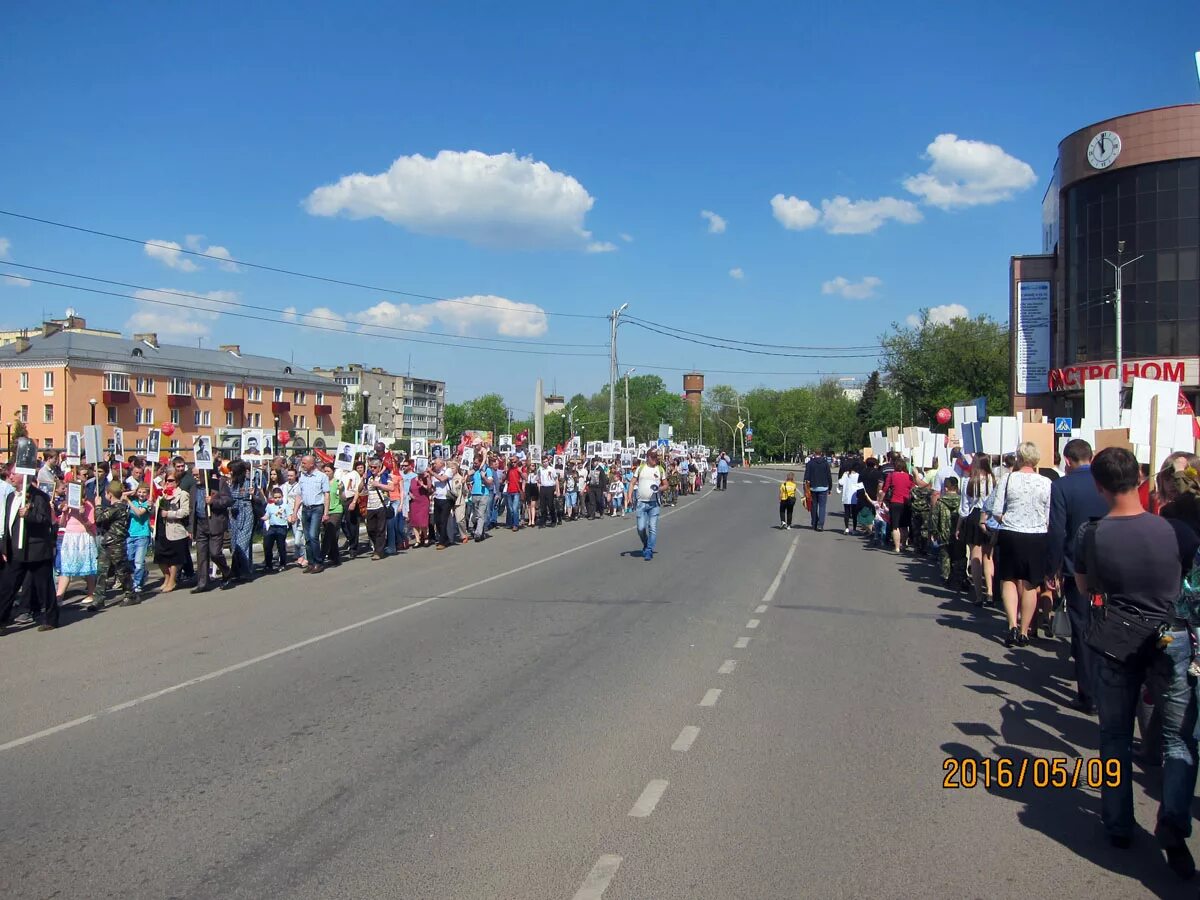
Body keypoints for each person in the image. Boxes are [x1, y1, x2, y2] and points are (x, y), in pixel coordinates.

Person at [1074, 447, 1200, 872]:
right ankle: (1174, 822)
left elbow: (1085, 584)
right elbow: (1185, 578)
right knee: (1180, 739)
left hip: (1116, 638)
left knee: (1114, 735)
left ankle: (1119, 823)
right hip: (1171, 636)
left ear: (1100, 486)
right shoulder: (1177, 532)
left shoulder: (1090, 535)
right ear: (1140, 479)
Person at [1046, 439, 1109, 714]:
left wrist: (1053, 567)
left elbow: (1057, 530)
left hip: (1077, 567)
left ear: (1067, 460)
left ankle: (1088, 694)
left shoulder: (1061, 486)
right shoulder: (1105, 481)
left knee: (1083, 628)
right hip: (1112, 563)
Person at [986, 441, 1052, 647]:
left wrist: (1008, 519)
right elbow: (1049, 515)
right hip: (1037, 535)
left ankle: (1012, 625)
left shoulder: (1008, 479)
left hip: (1011, 532)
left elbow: (996, 511)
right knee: (1030, 583)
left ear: (1019, 458)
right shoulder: (1046, 482)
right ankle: (1025, 630)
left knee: (1009, 580)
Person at [0, 474, 58, 631]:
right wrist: (4, 547)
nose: (10, 477)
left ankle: (50, 619)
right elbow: (8, 524)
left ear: (23, 476)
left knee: (43, 586)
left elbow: (45, 520)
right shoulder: (11, 496)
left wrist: (29, 515)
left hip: (35, 549)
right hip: (15, 550)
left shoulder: (39, 496)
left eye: (13, 474)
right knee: (7, 586)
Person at [58, 476, 99, 610]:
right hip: (70, 537)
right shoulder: (67, 505)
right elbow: (61, 523)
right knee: (66, 567)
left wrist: (82, 515)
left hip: (83, 536)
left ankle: (91, 592)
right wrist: (64, 513)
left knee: (86, 568)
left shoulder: (88, 505)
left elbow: (90, 525)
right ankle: (59, 596)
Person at [960, 454, 996, 606]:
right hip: (990, 516)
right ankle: (990, 591)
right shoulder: (993, 480)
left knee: (975, 558)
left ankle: (979, 595)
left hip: (974, 516)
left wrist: (959, 525)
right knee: (988, 557)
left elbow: (964, 507)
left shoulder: (969, 481)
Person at [189, 467, 233, 593]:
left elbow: (229, 500)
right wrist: (191, 528)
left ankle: (226, 572)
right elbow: (192, 509)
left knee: (215, 553)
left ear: (205, 473)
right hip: (200, 525)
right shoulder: (193, 489)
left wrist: (213, 501)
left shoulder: (218, 483)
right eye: (194, 475)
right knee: (201, 554)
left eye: (198, 474)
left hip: (214, 523)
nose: (196, 477)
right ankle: (203, 582)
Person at [154, 470, 191, 593]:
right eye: (167, 480)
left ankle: (172, 580)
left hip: (175, 529)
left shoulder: (182, 494)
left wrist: (169, 514)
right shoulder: (162, 495)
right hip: (161, 528)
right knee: (160, 556)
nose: (168, 483)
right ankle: (167, 577)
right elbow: (156, 510)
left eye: (171, 481)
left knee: (174, 558)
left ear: (177, 482)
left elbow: (185, 511)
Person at [627, 448, 666, 560]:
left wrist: (659, 488)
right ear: (648, 457)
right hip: (641, 503)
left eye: (656, 458)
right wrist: (629, 496)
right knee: (640, 528)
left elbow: (665, 484)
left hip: (654, 503)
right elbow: (632, 482)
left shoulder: (660, 469)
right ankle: (645, 543)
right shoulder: (641, 468)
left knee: (652, 527)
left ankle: (649, 550)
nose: (655, 460)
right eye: (653, 457)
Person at [294, 454, 329, 573]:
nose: (302, 465)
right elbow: (299, 495)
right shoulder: (302, 477)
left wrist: (326, 512)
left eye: (304, 463)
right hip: (305, 509)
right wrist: (294, 512)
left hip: (317, 508)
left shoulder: (321, 476)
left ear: (311, 464)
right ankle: (311, 562)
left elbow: (326, 495)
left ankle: (318, 562)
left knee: (314, 535)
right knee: (307, 538)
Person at [932, 476, 964, 590]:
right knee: (960, 556)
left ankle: (945, 577)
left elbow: (935, 518)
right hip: (959, 533)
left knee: (945, 557)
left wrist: (934, 532)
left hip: (944, 533)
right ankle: (959, 579)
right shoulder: (961, 501)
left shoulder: (941, 502)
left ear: (946, 488)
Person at [124, 482, 152, 603]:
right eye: (139, 492)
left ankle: (137, 583)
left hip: (142, 535)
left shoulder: (147, 503)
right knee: (129, 559)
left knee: (138, 562)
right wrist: (132, 492)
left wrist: (129, 502)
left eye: (144, 492)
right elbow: (122, 495)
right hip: (131, 535)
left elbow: (139, 513)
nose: (141, 494)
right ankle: (143, 573)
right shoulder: (133, 500)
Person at [880, 455, 914, 553]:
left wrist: (881, 501)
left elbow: (885, 489)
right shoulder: (909, 477)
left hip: (895, 502)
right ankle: (904, 544)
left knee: (895, 526)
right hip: (906, 502)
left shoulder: (891, 475)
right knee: (904, 525)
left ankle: (897, 547)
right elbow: (913, 488)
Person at [363, 458, 390, 559]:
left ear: (379, 468)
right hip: (370, 506)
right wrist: (363, 478)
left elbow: (390, 488)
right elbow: (361, 489)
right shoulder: (368, 477)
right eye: (371, 467)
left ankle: (378, 551)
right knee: (370, 529)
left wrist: (378, 485)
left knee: (380, 529)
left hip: (381, 505)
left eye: (374, 467)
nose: (372, 469)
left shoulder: (384, 476)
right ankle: (379, 546)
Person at [803, 448, 833, 531]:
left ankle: (814, 522)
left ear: (814, 453)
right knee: (822, 507)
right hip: (824, 487)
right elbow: (829, 476)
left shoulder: (810, 463)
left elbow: (806, 477)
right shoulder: (825, 463)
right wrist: (830, 488)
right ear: (821, 453)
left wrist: (805, 489)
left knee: (813, 506)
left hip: (812, 487)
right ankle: (820, 524)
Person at [321, 463, 344, 566]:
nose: (326, 473)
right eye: (324, 471)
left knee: (329, 531)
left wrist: (341, 490)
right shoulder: (321, 483)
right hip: (325, 510)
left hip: (336, 510)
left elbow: (343, 498)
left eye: (328, 471)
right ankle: (336, 557)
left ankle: (321, 556)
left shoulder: (338, 482)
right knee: (331, 535)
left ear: (333, 472)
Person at [262, 487, 290, 572]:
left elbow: (289, 516)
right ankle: (268, 565)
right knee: (267, 545)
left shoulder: (285, 506)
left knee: (281, 546)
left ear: (282, 496)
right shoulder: (270, 506)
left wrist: (290, 519)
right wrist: (263, 517)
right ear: (272, 498)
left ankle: (282, 564)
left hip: (282, 527)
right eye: (275, 497)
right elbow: (267, 516)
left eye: (279, 497)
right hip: (272, 527)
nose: (277, 499)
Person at [430, 458, 453, 549]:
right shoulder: (434, 473)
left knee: (443, 520)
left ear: (441, 463)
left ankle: (442, 541)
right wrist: (428, 476)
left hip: (446, 499)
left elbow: (443, 479)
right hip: (437, 498)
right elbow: (431, 487)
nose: (434, 465)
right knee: (437, 521)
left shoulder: (448, 470)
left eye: (435, 463)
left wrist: (432, 473)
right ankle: (445, 538)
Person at [471, 455, 496, 540]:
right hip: (474, 494)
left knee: (481, 514)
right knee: (474, 516)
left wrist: (483, 477)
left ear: (481, 462)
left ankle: (478, 533)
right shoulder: (473, 470)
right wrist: (468, 475)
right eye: (474, 463)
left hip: (484, 494)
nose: (475, 464)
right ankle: (476, 526)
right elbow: (467, 481)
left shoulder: (487, 470)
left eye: (476, 463)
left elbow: (490, 482)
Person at [838, 463, 861, 535]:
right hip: (855, 497)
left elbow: (840, 482)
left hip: (846, 496)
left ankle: (846, 528)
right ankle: (854, 529)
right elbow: (860, 486)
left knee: (847, 513)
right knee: (854, 514)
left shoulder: (846, 474)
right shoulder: (858, 476)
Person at [505, 457, 524, 531]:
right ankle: (512, 523)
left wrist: (520, 472)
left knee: (515, 509)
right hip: (509, 491)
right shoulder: (509, 470)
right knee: (511, 509)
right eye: (512, 462)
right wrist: (505, 472)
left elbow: (525, 478)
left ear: (517, 462)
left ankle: (515, 524)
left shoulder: (519, 469)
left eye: (514, 462)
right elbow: (505, 479)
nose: (513, 463)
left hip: (516, 491)